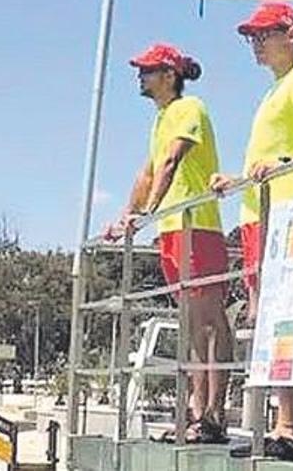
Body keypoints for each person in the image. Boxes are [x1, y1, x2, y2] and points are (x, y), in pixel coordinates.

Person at [211, 1, 293, 461]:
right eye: (253, 37)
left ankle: (291, 427)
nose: (256, 44)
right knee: (266, 319)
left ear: (291, 34)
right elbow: (269, 161)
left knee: (279, 320)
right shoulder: (277, 90)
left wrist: (279, 165)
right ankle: (281, 426)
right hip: (259, 214)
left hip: (283, 214)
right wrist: (239, 179)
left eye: (264, 35)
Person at [103, 43, 233, 444]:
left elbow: (173, 161)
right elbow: (148, 172)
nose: (140, 77)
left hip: (199, 227)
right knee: (192, 323)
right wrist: (128, 216)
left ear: (170, 75)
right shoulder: (161, 119)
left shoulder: (188, 109)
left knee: (210, 319)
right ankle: (196, 413)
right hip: (174, 230)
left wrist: (148, 211)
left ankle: (213, 414)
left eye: (148, 70)